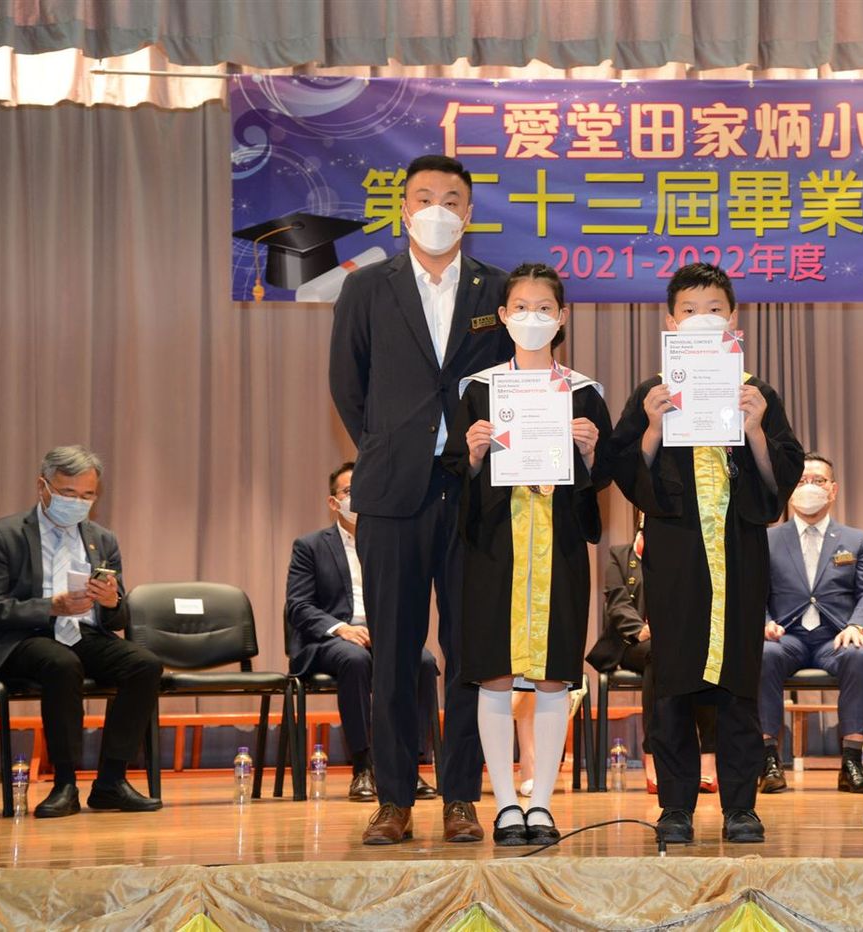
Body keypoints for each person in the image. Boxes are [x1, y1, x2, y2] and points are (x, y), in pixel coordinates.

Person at [330, 153, 513, 845]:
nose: (438, 209)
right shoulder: (366, 287)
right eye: (425, 197)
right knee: (396, 655)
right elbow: (348, 385)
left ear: (469, 213)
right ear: (404, 208)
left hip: (475, 493)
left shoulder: (498, 289)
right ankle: (394, 799)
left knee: (470, 653)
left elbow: (519, 377)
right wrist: (391, 446)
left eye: (452, 199)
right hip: (392, 493)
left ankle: (462, 797)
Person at [609, 263, 803, 845]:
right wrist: (651, 428)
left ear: (733, 319)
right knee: (673, 684)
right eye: (689, 311)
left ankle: (741, 806)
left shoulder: (756, 392)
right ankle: (676, 807)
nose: (702, 319)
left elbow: (782, 477)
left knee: (739, 684)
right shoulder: (652, 392)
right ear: (670, 322)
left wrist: (756, 429)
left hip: (739, 553)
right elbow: (624, 470)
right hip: (676, 556)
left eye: (714, 309)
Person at [447, 263, 611, 846]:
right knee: (493, 674)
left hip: (559, 546)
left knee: (553, 676)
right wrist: (471, 456)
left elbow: (605, 477)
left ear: (561, 317)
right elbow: (454, 475)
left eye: (544, 307)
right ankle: (504, 804)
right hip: (495, 547)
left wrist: (589, 455)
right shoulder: (479, 389)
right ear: (503, 315)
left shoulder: (585, 392)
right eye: (520, 306)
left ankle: (540, 801)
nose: (532, 317)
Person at [0, 446, 162, 817]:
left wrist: (111, 602)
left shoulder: (103, 539)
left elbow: (117, 620)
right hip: (25, 637)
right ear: (42, 487)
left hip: (84, 633)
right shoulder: (4, 535)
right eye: (68, 493)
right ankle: (65, 784)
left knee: (144, 664)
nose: (77, 503)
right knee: (61, 663)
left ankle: (111, 782)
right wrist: (51, 606)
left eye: (87, 496)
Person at [284, 461, 440, 802]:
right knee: (355, 660)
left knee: (425, 662)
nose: (358, 498)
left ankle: (409, 766)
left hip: (384, 635)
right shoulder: (311, 546)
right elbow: (298, 606)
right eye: (349, 491)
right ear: (333, 502)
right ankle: (364, 767)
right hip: (330, 641)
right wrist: (341, 629)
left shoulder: (390, 543)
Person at [759, 453, 863, 794]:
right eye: (801, 481)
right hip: (787, 637)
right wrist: (765, 622)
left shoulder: (857, 540)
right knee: (763, 655)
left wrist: (856, 626)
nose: (809, 487)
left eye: (818, 481)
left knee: (858, 656)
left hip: (836, 637)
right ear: (789, 489)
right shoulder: (767, 539)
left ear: (833, 490)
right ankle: (768, 761)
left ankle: (852, 761)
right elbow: (753, 594)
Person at [586, 518, 718, 793]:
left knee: (701, 658)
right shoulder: (620, 556)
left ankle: (708, 754)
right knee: (658, 655)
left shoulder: (679, 553)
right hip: (630, 643)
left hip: (676, 641)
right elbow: (617, 602)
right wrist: (642, 629)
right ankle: (653, 754)